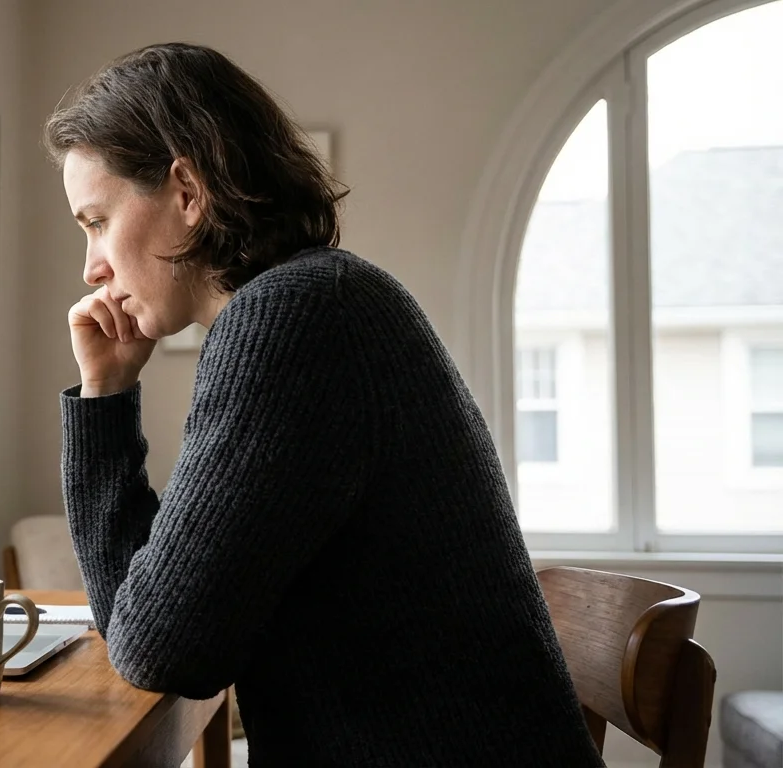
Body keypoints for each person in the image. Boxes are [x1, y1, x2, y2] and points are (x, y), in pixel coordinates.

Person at [44, 42, 605, 767]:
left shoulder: (295, 320)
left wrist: (104, 408)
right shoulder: (314, 302)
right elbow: (148, 627)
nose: (91, 266)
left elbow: (159, 649)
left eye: (96, 220)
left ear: (186, 191)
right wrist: (106, 394)